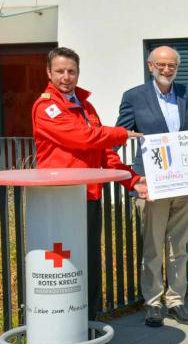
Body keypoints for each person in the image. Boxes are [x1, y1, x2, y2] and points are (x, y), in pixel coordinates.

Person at [32, 47, 147, 321]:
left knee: (89, 264)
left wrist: (131, 180)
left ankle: (90, 323)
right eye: (60, 71)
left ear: (78, 73)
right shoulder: (45, 106)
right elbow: (82, 137)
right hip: (60, 198)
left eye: (71, 71)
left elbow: (103, 151)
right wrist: (121, 133)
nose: (66, 77)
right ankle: (64, 326)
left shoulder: (85, 106)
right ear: (49, 72)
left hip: (89, 196)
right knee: (64, 266)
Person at [116, 46, 188, 327]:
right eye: (162, 65)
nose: (167, 70)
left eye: (172, 66)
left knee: (179, 245)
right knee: (153, 245)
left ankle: (176, 299)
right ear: (150, 65)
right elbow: (121, 134)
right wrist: (126, 172)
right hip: (152, 184)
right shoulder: (134, 96)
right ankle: (153, 302)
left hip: (186, 182)